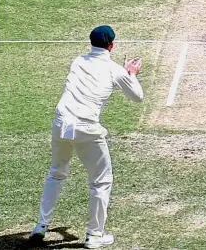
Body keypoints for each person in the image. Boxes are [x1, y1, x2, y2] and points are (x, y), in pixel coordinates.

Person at [29, 25, 144, 248]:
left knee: (56, 173)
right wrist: (131, 73)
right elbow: (137, 97)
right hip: (86, 127)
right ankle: (94, 236)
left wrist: (122, 72)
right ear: (112, 45)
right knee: (101, 181)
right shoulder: (115, 70)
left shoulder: (78, 61)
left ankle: (40, 227)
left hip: (61, 123)